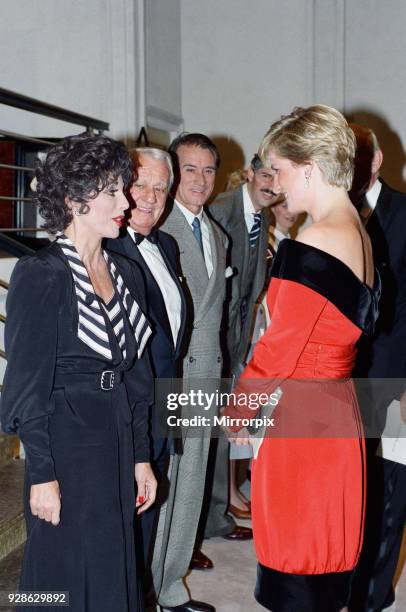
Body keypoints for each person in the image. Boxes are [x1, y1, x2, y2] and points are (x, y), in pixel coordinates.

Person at [222, 105, 380, 612]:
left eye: (280, 170)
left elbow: (278, 346)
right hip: (335, 410)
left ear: (309, 167)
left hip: (303, 420)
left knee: (297, 557)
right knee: (325, 553)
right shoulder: (358, 232)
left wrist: (240, 407)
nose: (275, 184)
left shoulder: (314, 239)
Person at [0, 133, 157, 612]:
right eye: (112, 191)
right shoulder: (41, 274)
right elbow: (26, 390)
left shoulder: (125, 270)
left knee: (114, 567)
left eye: (123, 189)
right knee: (60, 577)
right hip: (65, 449)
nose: (126, 201)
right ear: (73, 200)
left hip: (115, 437)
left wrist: (141, 456)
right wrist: (42, 475)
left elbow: (135, 377)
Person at [150, 132, 230, 612]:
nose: (199, 180)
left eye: (207, 170)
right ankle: (148, 584)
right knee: (164, 485)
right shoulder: (158, 230)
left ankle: (170, 586)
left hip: (205, 379)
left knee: (193, 483)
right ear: (173, 173)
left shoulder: (216, 234)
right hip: (170, 379)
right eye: (190, 169)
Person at [106, 147, 187, 573]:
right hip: (125, 411)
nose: (151, 197)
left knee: (152, 509)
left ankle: (143, 594)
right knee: (121, 519)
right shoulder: (103, 249)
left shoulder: (168, 246)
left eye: (160, 187)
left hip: (165, 401)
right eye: (141, 184)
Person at [349, 124, 406, 612]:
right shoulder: (331, 214)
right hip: (340, 377)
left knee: (391, 483)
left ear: (380, 159)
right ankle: (349, 578)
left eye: (363, 156)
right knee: (351, 485)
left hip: (396, 376)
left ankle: (376, 589)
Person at [208, 153, 280, 520]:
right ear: (250, 173)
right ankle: (213, 516)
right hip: (213, 336)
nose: (271, 184)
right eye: (265, 174)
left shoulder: (262, 215)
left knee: (225, 426)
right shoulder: (222, 209)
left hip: (238, 334)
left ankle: (219, 513)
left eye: (277, 177)